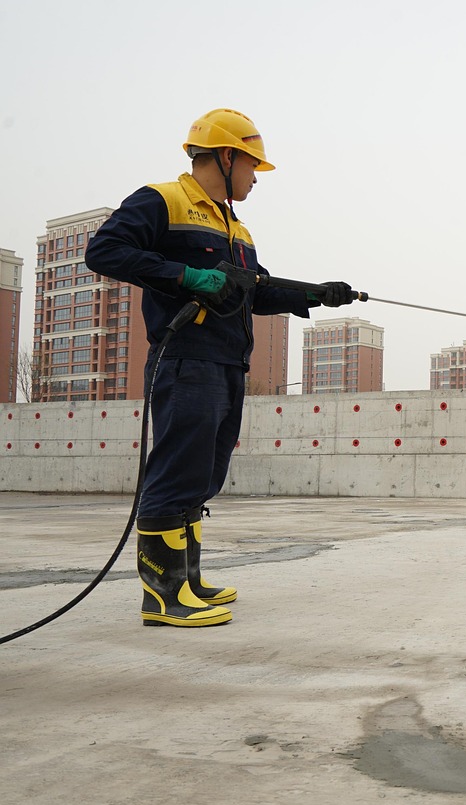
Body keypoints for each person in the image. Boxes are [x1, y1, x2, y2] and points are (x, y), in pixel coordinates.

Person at [86, 108, 355, 627]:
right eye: (253, 166)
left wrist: (317, 294)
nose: (256, 178)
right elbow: (106, 251)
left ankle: (187, 580)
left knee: (205, 475)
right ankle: (162, 599)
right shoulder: (162, 199)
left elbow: (255, 291)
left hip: (229, 362)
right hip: (185, 359)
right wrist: (186, 274)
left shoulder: (236, 227)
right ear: (227, 156)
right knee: (177, 472)